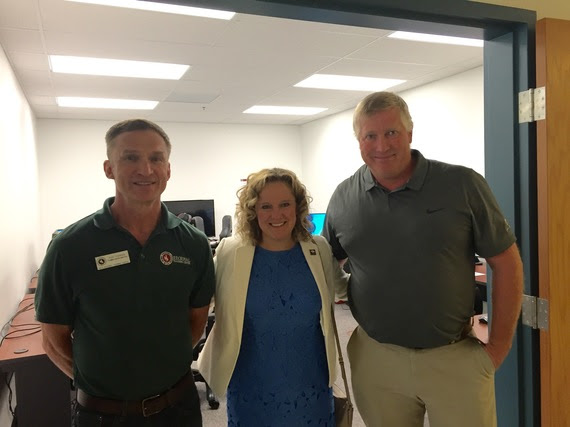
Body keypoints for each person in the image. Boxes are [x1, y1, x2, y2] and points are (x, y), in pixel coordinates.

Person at [323, 92, 524, 427]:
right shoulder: (345, 196)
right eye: (370, 135)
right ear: (358, 140)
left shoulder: (461, 184)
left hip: (454, 358)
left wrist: (498, 348)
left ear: (410, 133)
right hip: (376, 360)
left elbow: (507, 264)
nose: (381, 145)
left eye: (391, 133)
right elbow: (327, 262)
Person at [35, 119, 215, 426]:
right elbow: (53, 340)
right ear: (109, 168)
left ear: (168, 170)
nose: (145, 169)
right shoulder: (69, 246)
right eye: (130, 157)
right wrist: (102, 385)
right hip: (102, 415)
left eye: (156, 158)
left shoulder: (194, 244)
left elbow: (195, 324)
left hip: (179, 409)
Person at [197, 168, 348, 426]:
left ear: (298, 207)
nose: (276, 214)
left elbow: (343, 289)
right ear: (253, 211)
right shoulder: (230, 252)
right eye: (266, 206)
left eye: (285, 204)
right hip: (250, 388)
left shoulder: (318, 249)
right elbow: (198, 298)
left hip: (311, 385)